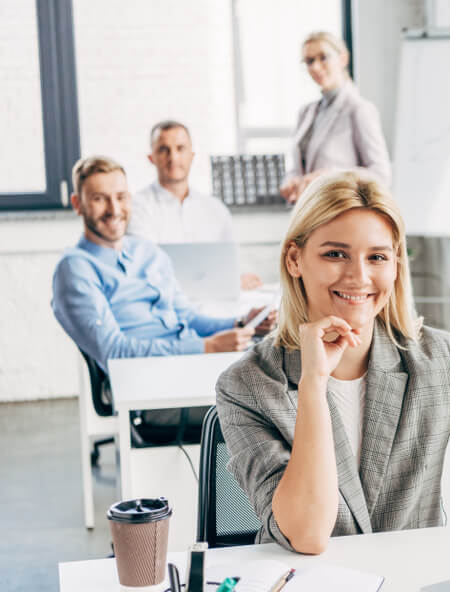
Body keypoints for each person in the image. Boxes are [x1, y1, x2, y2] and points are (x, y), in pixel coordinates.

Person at [215, 173, 450, 554]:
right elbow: (307, 534)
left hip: (414, 586)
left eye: (377, 257)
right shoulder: (248, 384)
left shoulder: (440, 360)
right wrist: (313, 383)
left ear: (395, 265)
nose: (359, 277)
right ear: (295, 259)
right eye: (335, 254)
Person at [52, 155, 275, 371]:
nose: (114, 209)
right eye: (99, 199)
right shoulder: (76, 269)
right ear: (77, 204)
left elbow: (187, 317)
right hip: (151, 380)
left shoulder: (148, 251)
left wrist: (241, 322)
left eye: (121, 197)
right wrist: (207, 347)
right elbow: (113, 351)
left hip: (190, 365)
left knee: (281, 366)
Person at [129, 120, 261, 289]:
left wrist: (242, 278)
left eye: (180, 148)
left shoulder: (215, 209)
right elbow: (144, 269)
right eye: (163, 149)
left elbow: (232, 264)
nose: (173, 157)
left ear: (192, 155)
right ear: (151, 158)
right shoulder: (137, 207)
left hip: (217, 302)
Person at [279, 31, 391, 204]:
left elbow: (381, 174)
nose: (315, 67)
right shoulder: (306, 113)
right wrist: (292, 181)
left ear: (342, 59)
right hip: (310, 213)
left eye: (323, 57)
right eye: (309, 61)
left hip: (343, 214)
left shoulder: (359, 110)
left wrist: (332, 176)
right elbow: (297, 168)